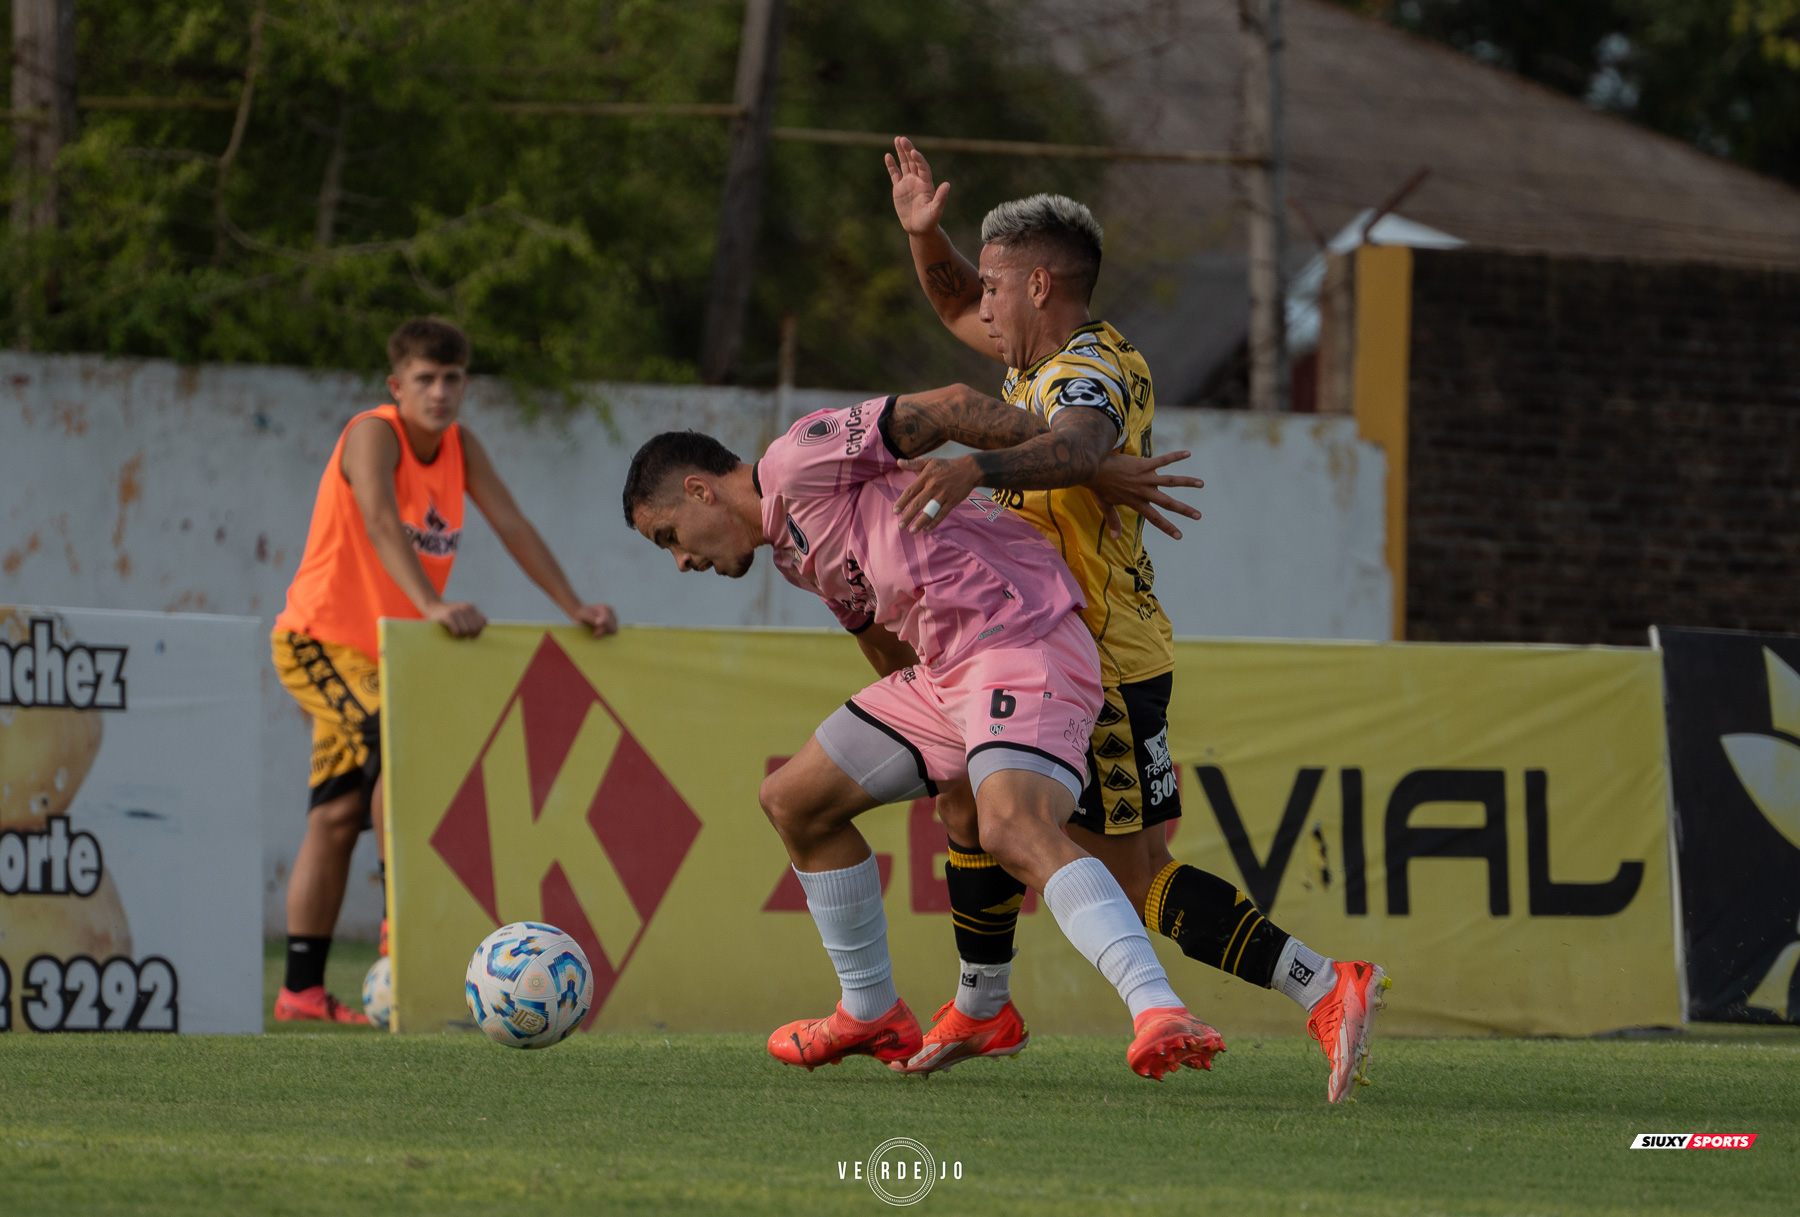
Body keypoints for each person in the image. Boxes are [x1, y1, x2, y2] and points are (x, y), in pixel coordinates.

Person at [884, 138, 1388, 1101]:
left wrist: (974, 466)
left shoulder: (1093, 372)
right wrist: (927, 235)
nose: (978, 305)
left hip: (1098, 659)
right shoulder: (1032, 354)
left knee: (1134, 876)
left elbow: (1077, 444)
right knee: (963, 802)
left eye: (996, 286)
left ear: (1040, 285)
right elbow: (951, 302)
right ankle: (982, 1002)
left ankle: (1324, 983)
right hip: (1027, 648)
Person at [623, 391, 1227, 1080]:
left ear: (699, 489)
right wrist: (944, 746)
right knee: (794, 800)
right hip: (948, 675)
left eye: (667, 536)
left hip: (1019, 638)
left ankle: (1157, 1006)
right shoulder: (793, 552)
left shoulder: (800, 459)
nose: (680, 560)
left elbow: (948, 406)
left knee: (1013, 827)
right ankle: (872, 1010)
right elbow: (884, 645)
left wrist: (1088, 464)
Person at [269, 317, 617, 1023]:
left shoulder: (462, 446)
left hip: (382, 653)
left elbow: (513, 524)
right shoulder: (374, 433)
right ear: (396, 385)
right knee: (397, 747)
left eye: (452, 378)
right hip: (318, 642)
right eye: (424, 379)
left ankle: (300, 990)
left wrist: (573, 602)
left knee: (336, 814)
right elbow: (375, 516)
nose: (440, 391)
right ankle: (402, 928)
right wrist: (430, 602)